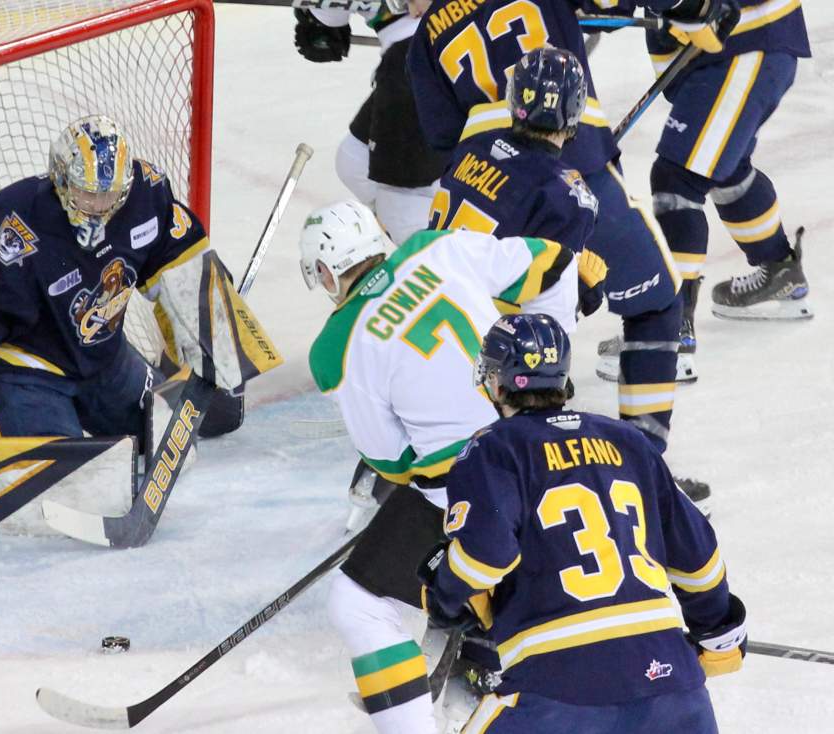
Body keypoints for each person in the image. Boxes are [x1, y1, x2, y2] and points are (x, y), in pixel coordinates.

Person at [407, 0, 731, 498]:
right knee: (656, 304)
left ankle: (471, 470)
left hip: (474, 189)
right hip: (571, 170)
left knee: (484, 331)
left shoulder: (426, 32)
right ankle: (640, 479)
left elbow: (443, 140)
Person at [301, 200, 577, 733]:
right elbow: (552, 262)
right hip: (556, 449)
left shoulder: (335, 346)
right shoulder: (435, 247)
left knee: (357, 603)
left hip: (476, 495)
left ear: (326, 273)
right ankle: (480, 623)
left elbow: (388, 457)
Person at [418, 312, 746, 732]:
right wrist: (717, 633)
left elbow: (485, 558)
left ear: (496, 380)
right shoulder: (629, 442)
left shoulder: (493, 450)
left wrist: (444, 596)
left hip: (556, 691)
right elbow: (699, 559)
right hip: (672, 687)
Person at [0, 114, 276, 442]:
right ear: (62, 180)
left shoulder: (144, 196)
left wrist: (213, 354)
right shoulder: (26, 227)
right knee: (67, 470)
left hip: (104, 361)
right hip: (27, 371)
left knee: (173, 431)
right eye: (89, 195)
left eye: (110, 195)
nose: (101, 207)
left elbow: (181, 260)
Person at [639, 0, 812, 383]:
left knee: (678, 178)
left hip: (741, 42)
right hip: (728, 47)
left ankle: (667, 331)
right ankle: (781, 272)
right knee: (724, 166)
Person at [429, 46, 606, 317]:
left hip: (424, 298)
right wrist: (585, 289)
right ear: (577, 108)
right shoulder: (571, 199)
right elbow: (552, 307)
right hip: (478, 332)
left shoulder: (474, 143)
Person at [293, 0, 440, 242]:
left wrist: (314, 23)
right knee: (354, 160)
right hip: (461, 48)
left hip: (416, 61)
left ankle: (442, 265)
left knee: (401, 210)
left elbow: (325, 28)